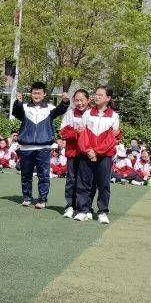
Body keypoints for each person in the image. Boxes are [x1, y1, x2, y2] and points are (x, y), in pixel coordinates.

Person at [12, 82, 70, 209]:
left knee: (43, 175)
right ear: (31, 94)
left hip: (43, 147)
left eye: (39, 93)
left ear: (44, 94)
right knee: (25, 174)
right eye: (34, 93)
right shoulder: (25, 107)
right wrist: (18, 102)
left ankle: (42, 199)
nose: (36, 95)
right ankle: (27, 197)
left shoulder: (50, 108)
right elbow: (16, 113)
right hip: (26, 147)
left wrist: (65, 102)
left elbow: (60, 110)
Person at [74, 86, 121, 224]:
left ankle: (102, 212)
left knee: (103, 184)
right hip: (87, 154)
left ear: (108, 98)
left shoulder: (114, 116)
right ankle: (83, 210)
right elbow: (82, 134)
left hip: (104, 156)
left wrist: (97, 152)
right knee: (84, 182)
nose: (97, 96)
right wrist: (89, 150)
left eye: (101, 95)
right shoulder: (87, 114)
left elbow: (111, 140)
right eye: (96, 94)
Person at [58, 89, 90, 218]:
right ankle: (70, 206)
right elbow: (64, 132)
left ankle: (85, 208)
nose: (79, 103)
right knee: (71, 180)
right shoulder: (70, 114)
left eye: (82, 100)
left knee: (85, 181)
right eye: (76, 100)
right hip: (72, 152)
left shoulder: (92, 113)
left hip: (87, 152)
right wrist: (76, 132)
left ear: (88, 100)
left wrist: (83, 133)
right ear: (73, 101)